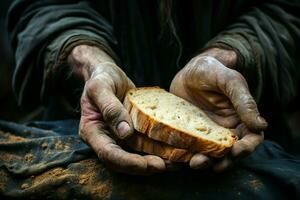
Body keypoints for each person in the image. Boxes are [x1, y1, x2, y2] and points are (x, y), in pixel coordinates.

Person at [1, 0, 300, 199]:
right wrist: (91, 64)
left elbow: (287, 9)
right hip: (83, 118)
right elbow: (40, 6)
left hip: (237, 118)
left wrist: (231, 55)